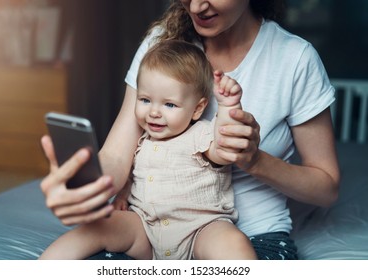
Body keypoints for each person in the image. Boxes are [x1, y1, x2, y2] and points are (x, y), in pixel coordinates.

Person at [40, 0, 340, 260]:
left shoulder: (295, 58)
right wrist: (80, 184)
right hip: (148, 228)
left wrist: (255, 160)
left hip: (247, 237)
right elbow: (117, 156)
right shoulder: (161, 44)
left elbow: (327, 189)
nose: (196, 6)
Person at [40, 40, 257, 260]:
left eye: (169, 104)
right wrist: (123, 191)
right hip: (145, 229)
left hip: (200, 230)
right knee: (97, 227)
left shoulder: (200, 134)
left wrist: (229, 106)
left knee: (232, 242)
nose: (153, 112)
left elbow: (225, 147)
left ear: (198, 109)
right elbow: (135, 171)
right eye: (145, 100)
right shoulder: (142, 140)